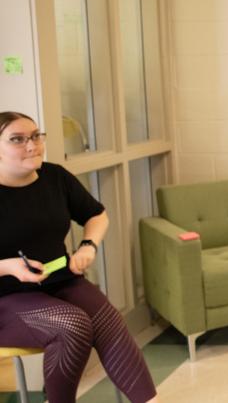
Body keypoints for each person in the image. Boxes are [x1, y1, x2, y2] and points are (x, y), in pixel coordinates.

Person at [0, 112, 159, 403]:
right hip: (6, 297)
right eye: (17, 140)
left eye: (36, 136)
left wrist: (88, 246)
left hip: (60, 280)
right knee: (72, 325)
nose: (32, 145)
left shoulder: (54, 176)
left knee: (107, 320)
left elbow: (96, 215)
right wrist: (7, 266)